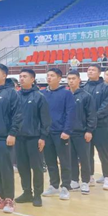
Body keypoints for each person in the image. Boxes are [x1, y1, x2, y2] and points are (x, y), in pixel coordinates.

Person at [0, 64, 21, 214]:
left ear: (4, 75)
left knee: (5, 169)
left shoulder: (11, 93)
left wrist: (12, 133)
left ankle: (9, 199)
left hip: (4, 137)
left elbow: (17, 115)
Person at [15, 68, 51, 208]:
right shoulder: (16, 96)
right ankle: (26, 192)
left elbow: (45, 119)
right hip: (19, 138)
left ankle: (37, 194)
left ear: (32, 79)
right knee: (22, 167)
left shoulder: (39, 96)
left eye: (25, 76)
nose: (21, 78)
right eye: (20, 76)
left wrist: (43, 137)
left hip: (34, 138)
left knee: (37, 168)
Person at [41, 68, 75, 200]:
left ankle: (65, 186)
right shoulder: (42, 93)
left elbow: (70, 113)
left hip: (60, 132)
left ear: (59, 78)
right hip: (46, 133)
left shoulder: (66, 93)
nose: (49, 78)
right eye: (48, 75)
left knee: (64, 160)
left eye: (52, 75)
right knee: (50, 161)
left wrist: (67, 130)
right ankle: (53, 185)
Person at [82, 64, 108, 188]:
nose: (90, 71)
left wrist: (93, 117)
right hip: (86, 127)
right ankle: (89, 176)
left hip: (101, 125)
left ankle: (107, 177)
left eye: (93, 70)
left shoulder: (105, 87)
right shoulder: (84, 87)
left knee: (104, 152)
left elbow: (107, 105)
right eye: (89, 70)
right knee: (87, 153)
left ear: (99, 73)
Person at [67, 71, 97, 195]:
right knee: (71, 158)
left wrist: (89, 130)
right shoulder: (66, 95)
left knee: (84, 158)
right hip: (68, 132)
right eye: (69, 78)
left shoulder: (86, 96)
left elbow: (91, 115)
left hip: (82, 132)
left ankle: (85, 181)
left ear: (79, 79)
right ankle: (74, 180)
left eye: (73, 78)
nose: (71, 81)